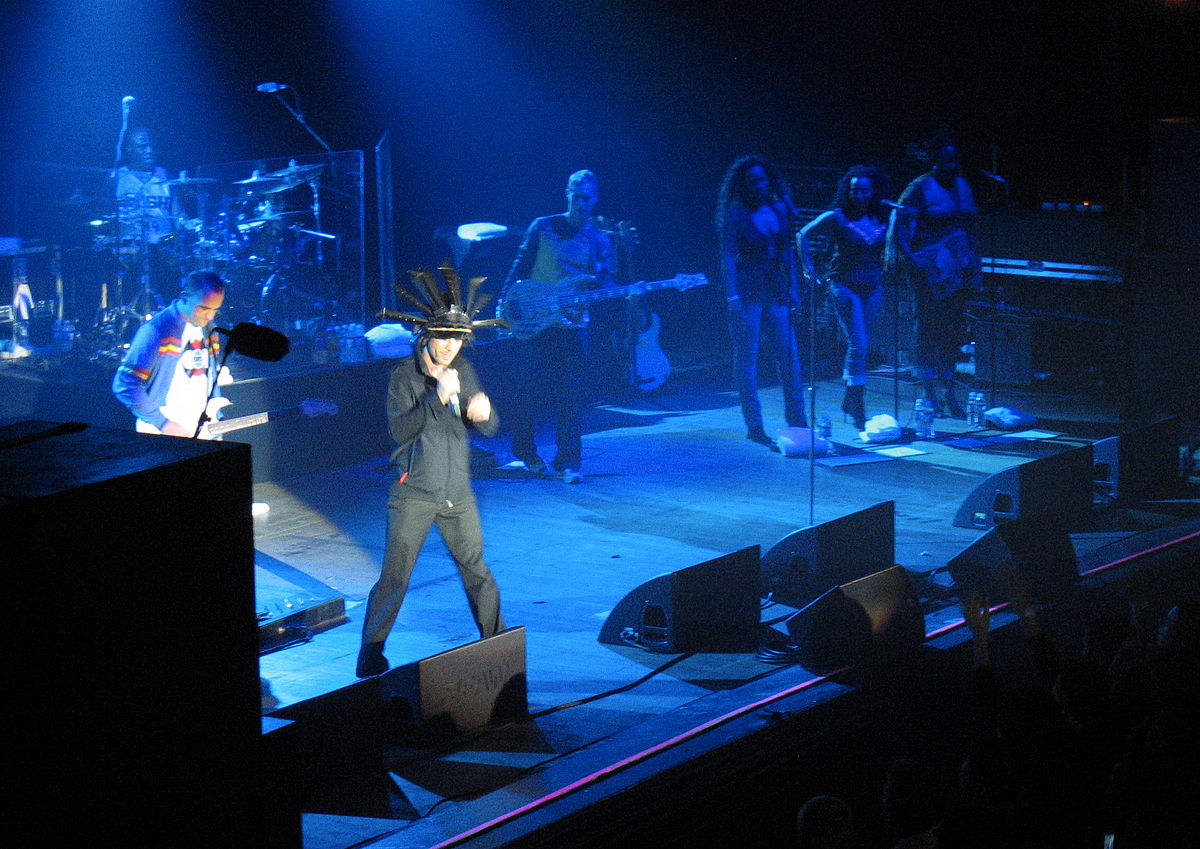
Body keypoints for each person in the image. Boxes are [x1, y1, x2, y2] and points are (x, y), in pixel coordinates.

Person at [357, 264, 509, 678]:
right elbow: (400, 430)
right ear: (426, 335)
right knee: (396, 577)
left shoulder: (464, 371)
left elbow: (488, 426)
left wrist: (485, 415)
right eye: (443, 338)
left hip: (457, 493)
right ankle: (370, 653)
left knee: (477, 572)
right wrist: (436, 398)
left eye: (457, 340)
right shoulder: (403, 377)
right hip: (414, 493)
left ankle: (498, 645)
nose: (449, 347)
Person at [501, 169, 615, 483]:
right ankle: (526, 452)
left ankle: (569, 461)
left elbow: (606, 281)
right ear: (567, 194)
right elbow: (520, 268)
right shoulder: (543, 226)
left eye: (587, 198)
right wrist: (506, 308)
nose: (581, 203)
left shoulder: (599, 239)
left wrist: (605, 292)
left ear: (595, 199)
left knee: (572, 395)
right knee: (527, 391)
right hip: (536, 320)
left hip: (572, 324)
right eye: (576, 197)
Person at [886, 132, 981, 418]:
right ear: (934, 161)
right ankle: (928, 393)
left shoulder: (963, 186)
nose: (952, 165)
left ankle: (950, 392)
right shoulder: (920, 188)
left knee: (952, 331)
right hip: (929, 272)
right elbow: (899, 226)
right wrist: (912, 260)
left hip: (958, 271)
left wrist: (973, 263)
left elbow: (970, 227)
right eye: (945, 160)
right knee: (927, 329)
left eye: (955, 160)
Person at [716, 154, 806, 448]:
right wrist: (731, 295)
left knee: (789, 354)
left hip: (775, 287)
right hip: (747, 289)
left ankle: (798, 420)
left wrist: (794, 288)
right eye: (753, 181)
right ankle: (754, 424)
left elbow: (788, 252)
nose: (759, 185)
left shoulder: (779, 208)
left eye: (763, 179)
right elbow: (728, 255)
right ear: (744, 185)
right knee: (748, 357)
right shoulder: (736, 214)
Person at [798, 165, 892, 431]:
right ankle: (857, 403)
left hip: (872, 286)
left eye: (864, 191)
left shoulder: (881, 217)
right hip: (844, 285)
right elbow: (802, 234)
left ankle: (850, 398)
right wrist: (808, 269)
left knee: (861, 344)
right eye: (854, 191)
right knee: (859, 343)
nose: (859, 195)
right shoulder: (837, 216)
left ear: (873, 192)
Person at [111, 269, 227, 437]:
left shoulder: (210, 329)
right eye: (204, 308)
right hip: (164, 433)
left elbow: (209, 380)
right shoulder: (156, 330)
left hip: (201, 430)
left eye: (215, 310)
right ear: (185, 297)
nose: (210, 316)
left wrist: (217, 426)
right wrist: (163, 423)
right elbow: (125, 384)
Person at [113, 126, 182, 310]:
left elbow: (178, 215)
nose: (149, 150)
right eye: (143, 146)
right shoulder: (118, 178)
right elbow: (104, 218)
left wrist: (193, 226)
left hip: (163, 248)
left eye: (151, 145)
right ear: (129, 149)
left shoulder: (165, 175)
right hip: (130, 250)